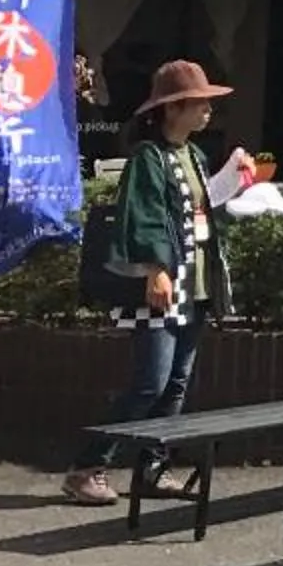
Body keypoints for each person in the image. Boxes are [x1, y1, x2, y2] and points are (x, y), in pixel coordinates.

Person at [64, 60, 250, 507]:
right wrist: (156, 268)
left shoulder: (195, 156)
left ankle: (151, 468)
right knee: (151, 382)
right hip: (165, 284)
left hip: (196, 284)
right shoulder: (149, 157)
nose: (207, 111)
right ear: (172, 109)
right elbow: (143, 216)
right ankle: (88, 467)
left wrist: (231, 179)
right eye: (199, 103)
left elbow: (202, 211)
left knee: (176, 382)